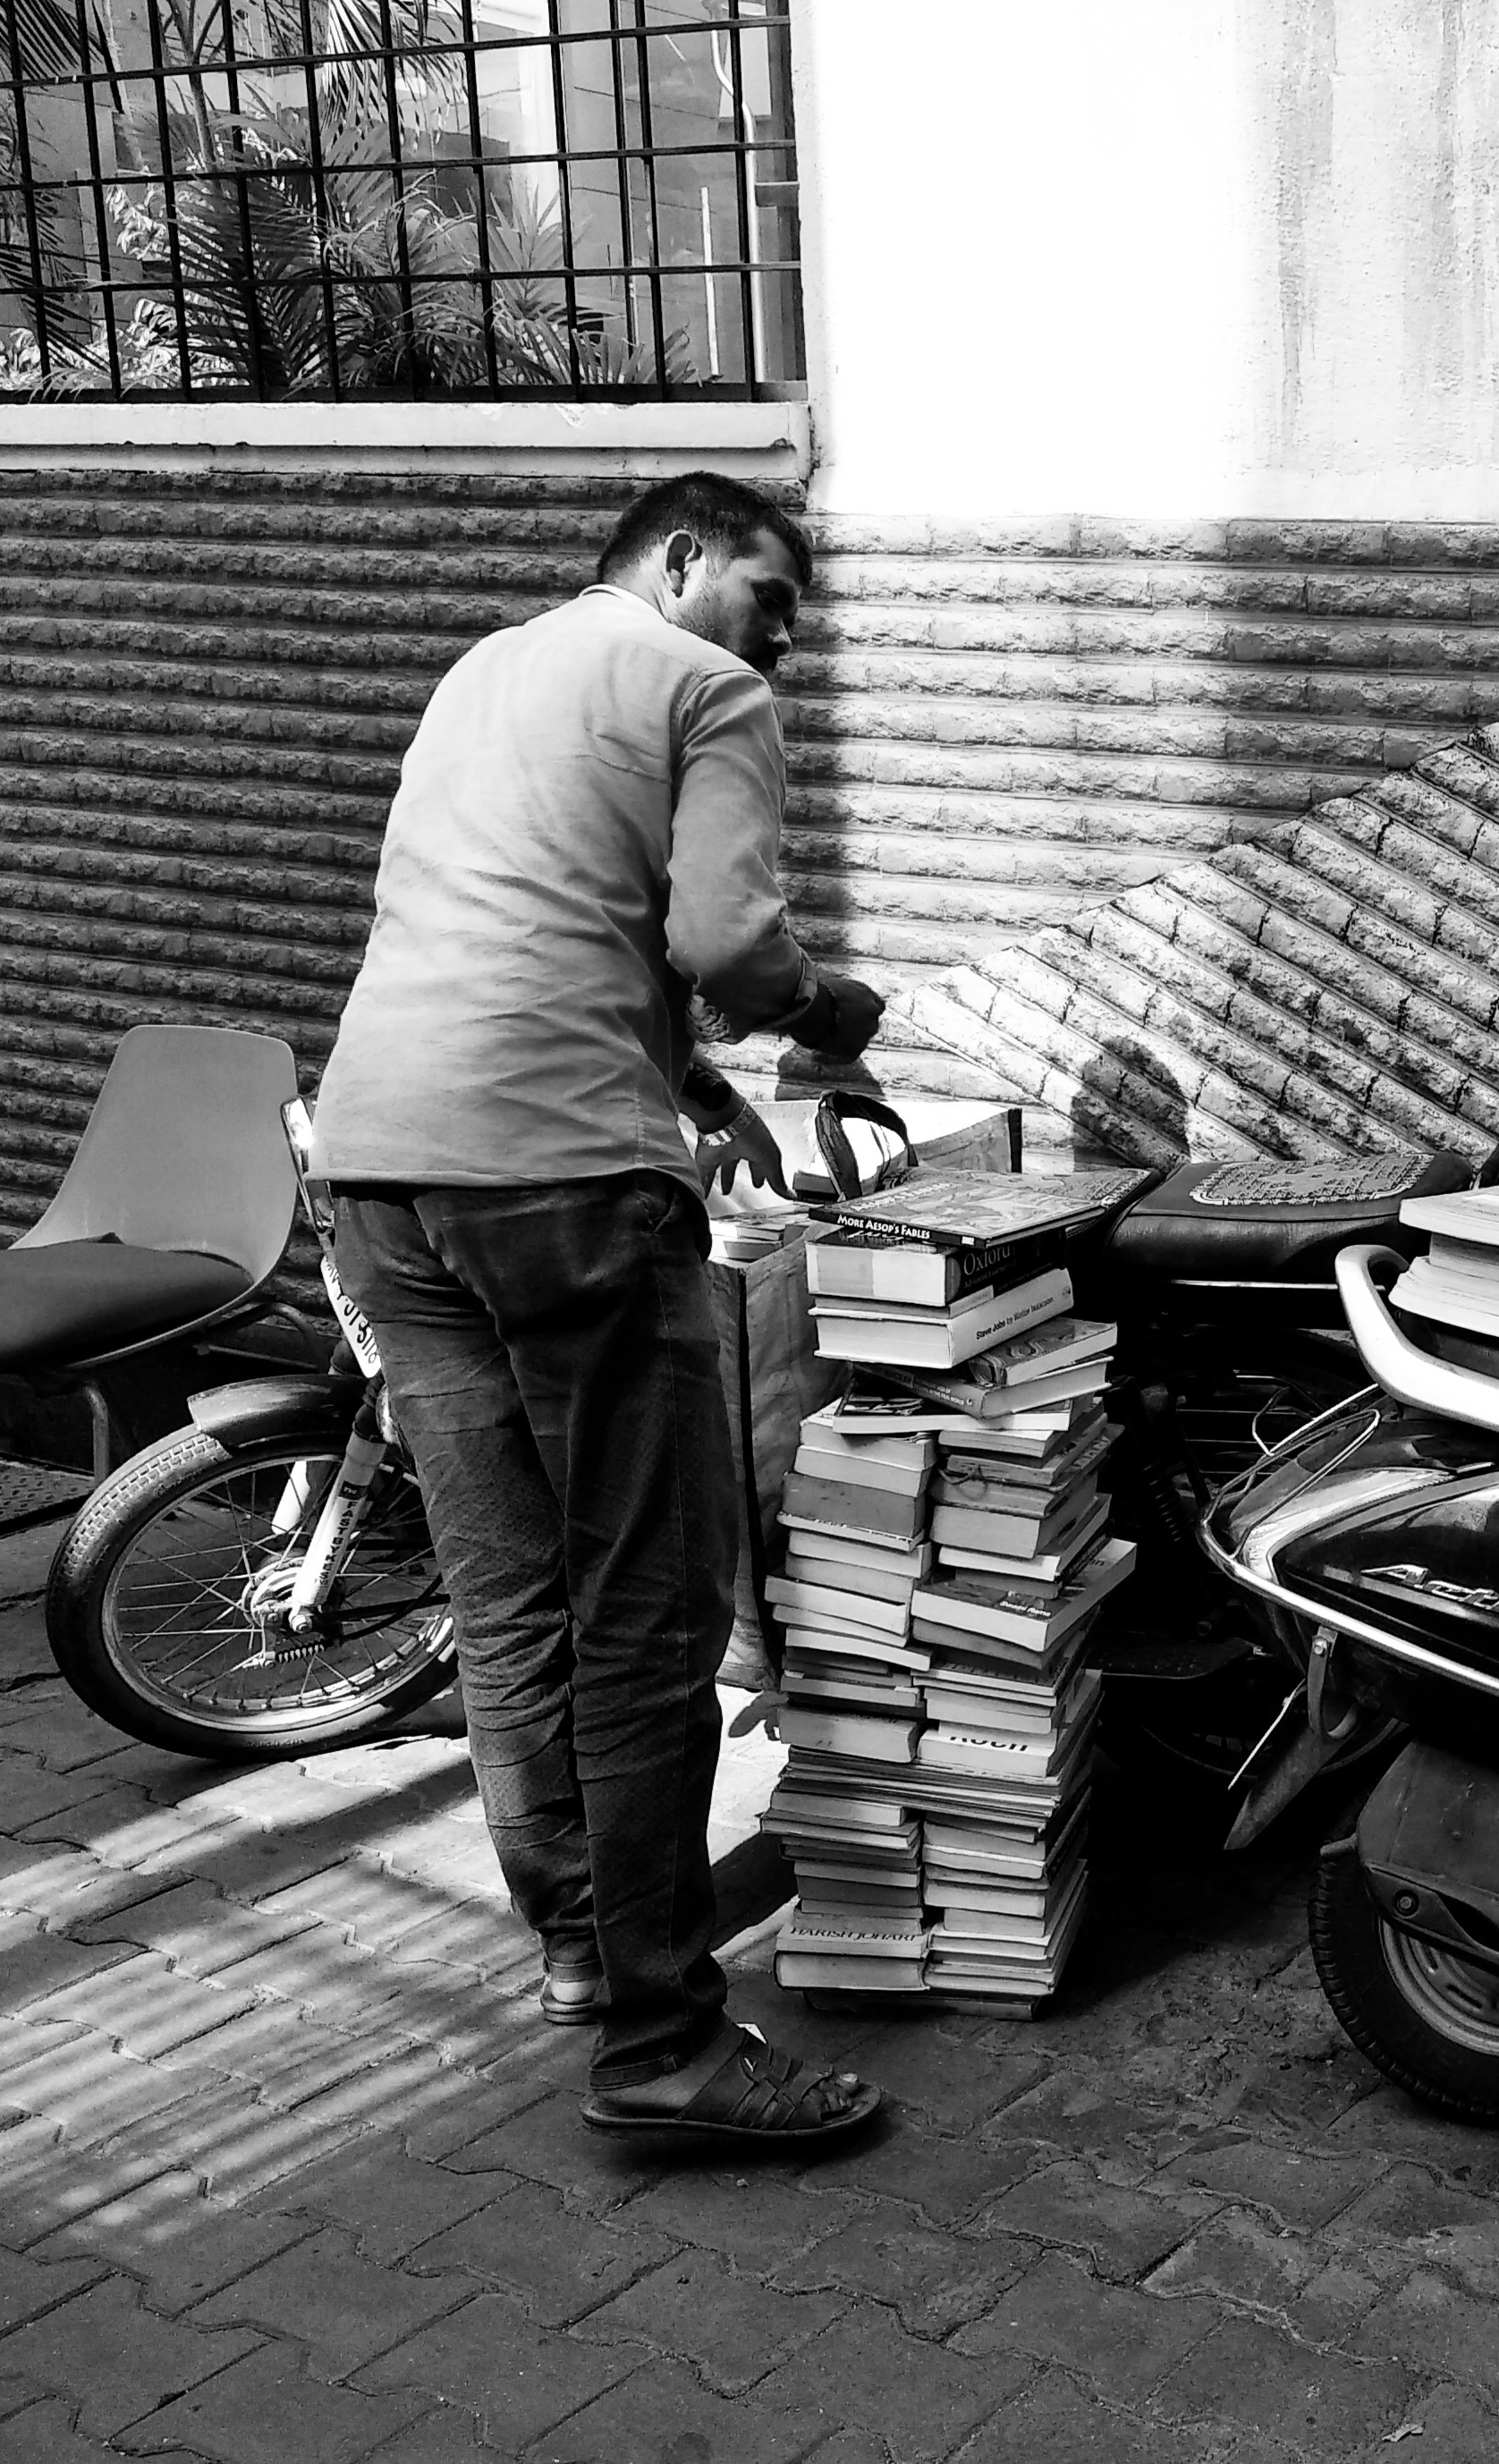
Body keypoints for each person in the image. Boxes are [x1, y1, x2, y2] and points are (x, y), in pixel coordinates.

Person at [311, 471, 885, 2149]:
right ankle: (665, 2046)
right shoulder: (706, 686)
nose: (786, 642)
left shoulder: (487, 668)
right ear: (683, 559)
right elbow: (729, 937)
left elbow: (526, 919)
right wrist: (824, 1011)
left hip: (380, 1170)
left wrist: (689, 1081)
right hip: (559, 1186)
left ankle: (580, 1946)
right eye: (773, 599)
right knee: (645, 1613)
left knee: (507, 1593)